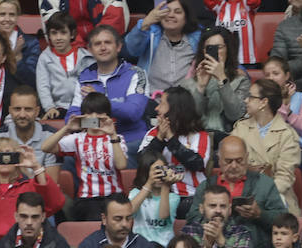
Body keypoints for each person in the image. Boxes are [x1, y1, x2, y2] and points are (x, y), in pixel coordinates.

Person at [187, 136, 288, 248]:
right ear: (219, 160)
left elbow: (284, 220)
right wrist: (215, 215)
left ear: (247, 158)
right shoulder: (206, 186)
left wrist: (260, 215)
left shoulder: (264, 184)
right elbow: (192, 219)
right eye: (228, 161)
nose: (234, 166)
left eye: (239, 161)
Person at [70, 26, 150, 156]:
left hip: (130, 140)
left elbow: (133, 113)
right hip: (95, 142)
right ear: (90, 50)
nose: (103, 47)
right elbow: (72, 119)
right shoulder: (85, 78)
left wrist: (99, 99)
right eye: (97, 44)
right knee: (68, 159)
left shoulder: (136, 74)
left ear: (118, 47)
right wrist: (100, 122)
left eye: (107, 42)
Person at [0, 138, 65, 248]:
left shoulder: (29, 185)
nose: (5, 159)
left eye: (9, 154)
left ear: (17, 157)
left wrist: (36, 167)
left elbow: (55, 204)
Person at [179, 27, 250, 136]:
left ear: (228, 49)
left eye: (219, 47)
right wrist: (201, 87)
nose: (216, 51)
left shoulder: (241, 80)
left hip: (229, 137)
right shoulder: (188, 83)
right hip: (197, 137)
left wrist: (222, 79)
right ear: (203, 51)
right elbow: (190, 117)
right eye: (210, 48)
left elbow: (235, 115)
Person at [124, 0, 201, 93]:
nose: (171, 15)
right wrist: (145, 23)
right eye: (167, 11)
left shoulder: (197, 38)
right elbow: (132, 49)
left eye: (177, 12)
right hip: (151, 99)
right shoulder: (151, 34)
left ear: (186, 17)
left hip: (185, 100)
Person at [36, 12, 90, 121]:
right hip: (56, 109)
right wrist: (49, 107)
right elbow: (43, 86)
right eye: (54, 33)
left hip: (83, 108)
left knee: (93, 124)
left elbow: (92, 83)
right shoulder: (45, 58)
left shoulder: (86, 57)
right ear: (49, 36)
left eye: (63, 32)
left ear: (72, 34)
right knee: (50, 127)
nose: (58, 37)